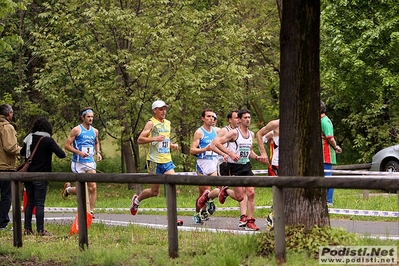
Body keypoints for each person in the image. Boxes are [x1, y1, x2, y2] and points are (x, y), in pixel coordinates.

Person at [213, 109, 266, 231]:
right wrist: (230, 154)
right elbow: (218, 143)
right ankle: (225, 191)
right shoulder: (234, 133)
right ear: (240, 120)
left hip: (246, 166)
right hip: (234, 167)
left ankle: (250, 220)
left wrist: (257, 157)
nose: (248, 120)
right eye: (245, 118)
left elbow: (249, 151)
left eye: (249, 117)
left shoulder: (251, 134)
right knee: (240, 197)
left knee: (251, 192)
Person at [130, 100, 179, 215]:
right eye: (161, 109)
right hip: (153, 161)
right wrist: (154, 138)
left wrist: (172, 145)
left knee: (173, 184)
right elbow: (140, 140)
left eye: (165, 109)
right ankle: (137, 200)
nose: (163, 111)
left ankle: (173, 217)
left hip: (166, 160)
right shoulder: (151, 123)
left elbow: (165, 140)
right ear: (154, 110)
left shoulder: (168, 123)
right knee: (154, 192)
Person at [21, 117, 66, 236]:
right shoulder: (48, 140)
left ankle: (27, 229)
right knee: (40, 203)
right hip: (41, 175)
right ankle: (40, 230)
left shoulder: (29, 138)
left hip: (28, 175)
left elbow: (22, 152)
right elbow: (61, 154)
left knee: (30, 202)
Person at [62, 107, 102, 217]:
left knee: (93, 186)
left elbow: (96, 142)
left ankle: (91, 211)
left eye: (92, 117)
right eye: (88, 117)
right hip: (78, 162)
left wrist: (98, 152)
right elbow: (66, 145)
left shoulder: (95, 131)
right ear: (82, 117)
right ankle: (69, 190)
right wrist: (78, 152)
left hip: (89, 162)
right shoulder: (76, 130)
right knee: (82, 189)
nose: (91, 119)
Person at [190, 109, 220, 224]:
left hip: (213, 162)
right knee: (203, 192)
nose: (211, 118)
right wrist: (205, 149)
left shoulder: (216, 131)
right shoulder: (199, 132)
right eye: (208, 116)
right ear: (203, 118)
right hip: (202, 164)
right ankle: (198, 212)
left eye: (213, 116)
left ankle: (209, 201)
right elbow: (192, 150)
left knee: (217, 186)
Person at [0, 104, 21, 230]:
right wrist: (23, 151)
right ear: (9, 114)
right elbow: (10, 147)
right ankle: (2, 222)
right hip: (5, 166)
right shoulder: (7, 127)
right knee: (6, 196)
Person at [256, 119, 280, 230]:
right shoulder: (275, 124)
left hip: (292, 163)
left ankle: (274, 214)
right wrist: (263, 153)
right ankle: (273, 217)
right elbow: (259, 134)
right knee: (281, 191)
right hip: (277, 164)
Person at [321, 100, 342, 206]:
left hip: (326, 154)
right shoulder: (320, 121)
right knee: (323, 177)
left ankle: (329, 201)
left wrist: (335, 147)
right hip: (321, 155)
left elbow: (330, 138)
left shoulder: (325, 121)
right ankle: (323, 200)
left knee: (328, 177)